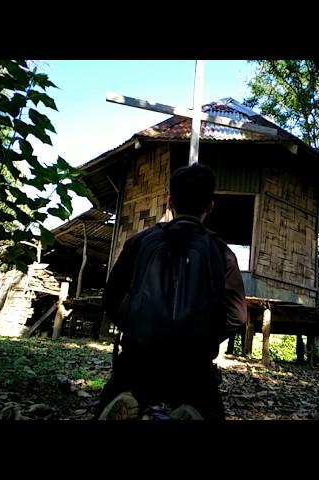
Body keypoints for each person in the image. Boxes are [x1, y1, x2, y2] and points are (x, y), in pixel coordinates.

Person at [96, 163, 247, 420]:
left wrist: (133, 324)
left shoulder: (139, 242)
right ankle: (193, 408)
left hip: (139, 358)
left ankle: (127, 395)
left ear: (169, 203)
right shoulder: (221, 252)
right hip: (193, 364)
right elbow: (237, 315)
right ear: (210, 206)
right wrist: (206, 337)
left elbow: (110, 298)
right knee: (205, 401)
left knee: (120, 386)